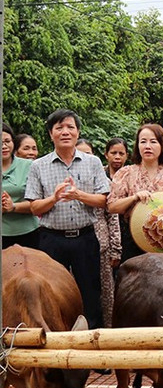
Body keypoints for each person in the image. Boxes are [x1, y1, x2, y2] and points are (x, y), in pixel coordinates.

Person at [25, 109, 109, 330]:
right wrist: (54, 197)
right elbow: (34, 207)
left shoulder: (93, 162)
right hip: (52, 239)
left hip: (85, 238)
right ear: (50, 134)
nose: (65, 132)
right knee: (52, 292)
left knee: (90, 292)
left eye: (70, 127)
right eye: (59, 128)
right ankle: (57, 343)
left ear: (78, 131)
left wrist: (77, 194)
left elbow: (103, 200)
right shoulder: (38, 166)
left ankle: (93, 346)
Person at [107, 124, 163, 263]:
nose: (147, 146)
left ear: (162, 145)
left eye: (153, 142)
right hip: (134, 240)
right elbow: (112, 207)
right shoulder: (126, 173)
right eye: (143, 141)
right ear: (137, 146)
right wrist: (134, 198)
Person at [76, 138, 122, 328]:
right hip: (78, 244)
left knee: (105, 292)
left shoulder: (104, 181)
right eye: (80, 154)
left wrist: (115, 249)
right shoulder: (66, 181)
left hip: (102, 246)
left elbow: (113, 217)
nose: (85, 157)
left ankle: (107, 329)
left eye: (88, 153)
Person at [2, 123, 39, 249]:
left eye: (7, 141)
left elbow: (38, 203)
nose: (4, 146)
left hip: (29, 233)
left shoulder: (29, 165)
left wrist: (13, 207)